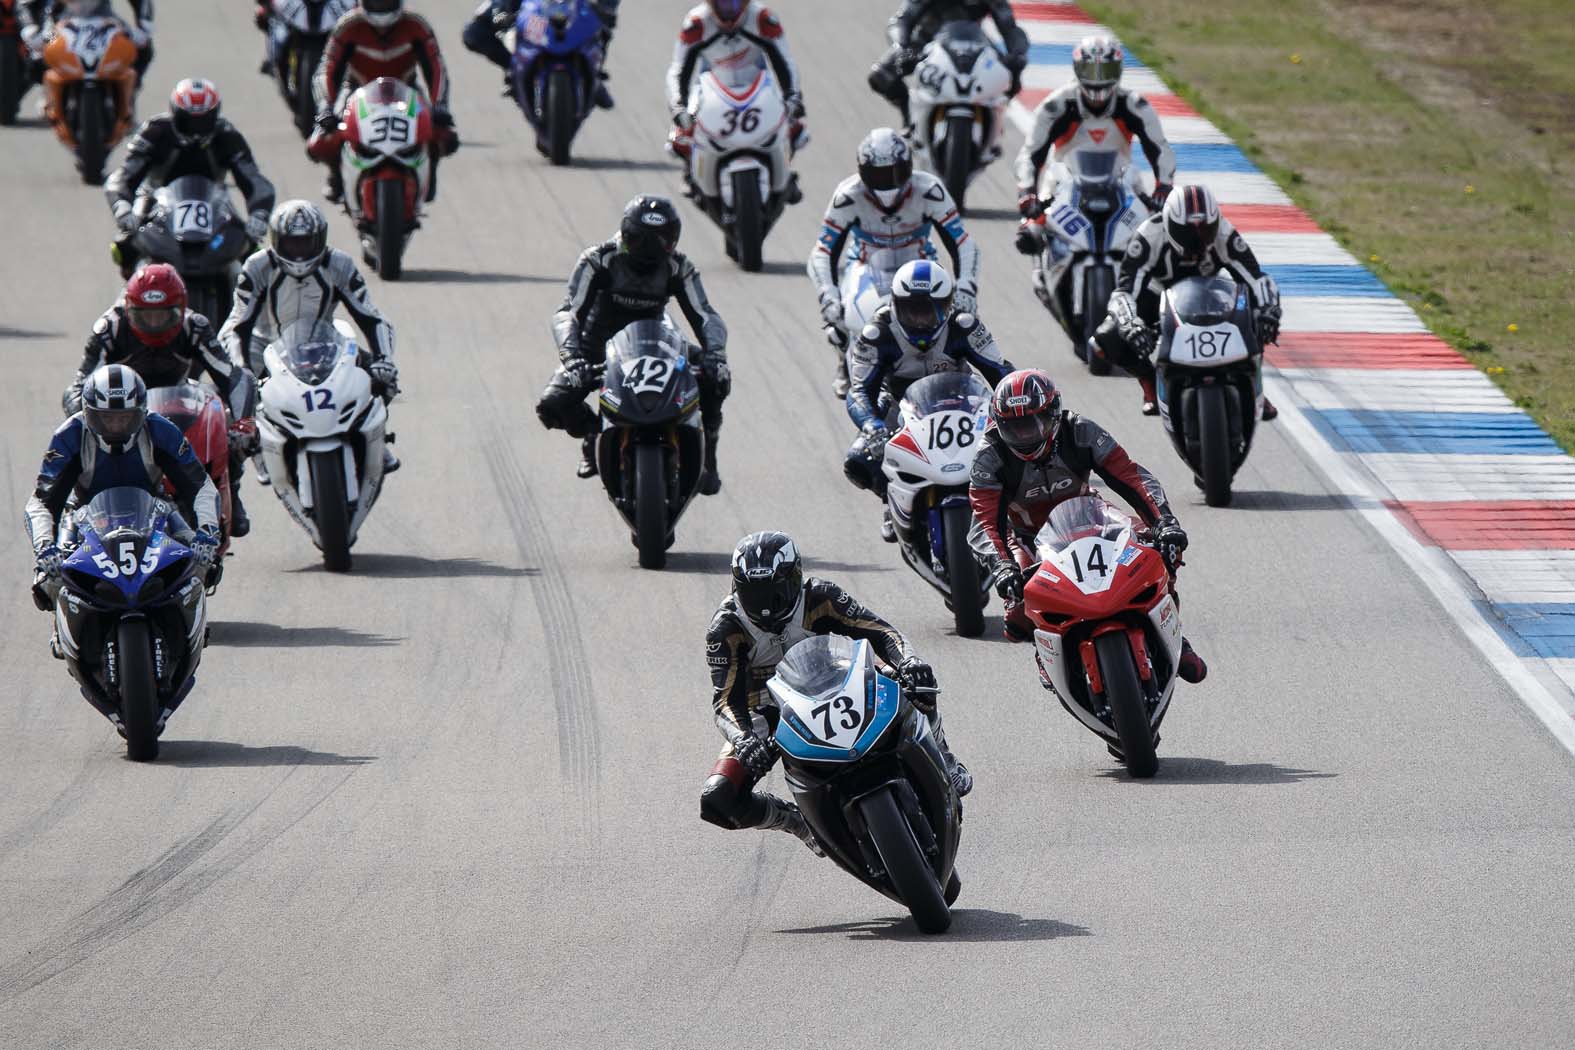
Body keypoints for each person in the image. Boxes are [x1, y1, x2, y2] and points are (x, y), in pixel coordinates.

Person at [700, 531, 971, 852]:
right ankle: (797, 822)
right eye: (753, 594)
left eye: (774, 593)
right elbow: (725, 701)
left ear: (795, 579)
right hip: (768, 714)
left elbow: (882, 633)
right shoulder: (726, 629)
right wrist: (744, 739)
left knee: (916, 681)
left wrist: (909, 660)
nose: (765, 608)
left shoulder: (820, 597)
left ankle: (944, 756)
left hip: (841, 682)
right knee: (718, 798)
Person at [967, 369, 1208, 681]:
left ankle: (1173, 633)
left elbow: (1130, 476)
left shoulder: (1080, 430)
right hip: (1026, 536)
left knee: (1161, 549)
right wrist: (1001, 566)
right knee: (1016, 615)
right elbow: (985, 521)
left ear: (1052, 415)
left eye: (1031, 424)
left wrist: (1165, 523)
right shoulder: (989, 457)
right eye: (1013, 427)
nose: (1024, 435)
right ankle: (1047, 652)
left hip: (1090, 516)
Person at [537, 195, 730, 492]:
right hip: (595, 346)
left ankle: (709, 457)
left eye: (659, 241)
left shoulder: (678, 267)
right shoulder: (598, 259)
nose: (647, 249)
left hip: (659, 340)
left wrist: (716, 355)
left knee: (717, 379)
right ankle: (593, 434)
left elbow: (707, 316)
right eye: (639, 239)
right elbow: (568, 313)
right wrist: (571, 356)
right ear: (625, 234)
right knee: (552, 404)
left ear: (673, 241)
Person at [71, 265, 260, 536]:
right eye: (145, 316)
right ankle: (81, 509)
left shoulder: (194, 326)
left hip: (180, 404)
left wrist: (244, 423)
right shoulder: (110, 328)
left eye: (163, 315)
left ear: (181, 309)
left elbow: (234, 378)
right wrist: (85, 420)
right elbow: (79, 386)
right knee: (80, 445)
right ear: (129, 307)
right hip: (121, 414)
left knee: (229, 423)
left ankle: (233, 495)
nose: (154, 323)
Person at [218, 200, 402, 473]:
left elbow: (371, 316)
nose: (300, 252)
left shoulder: (339, 264)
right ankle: (255, 448)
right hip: (265, 347)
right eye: (292, 243)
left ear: (321, 239)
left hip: (325, 345)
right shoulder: (257, 266)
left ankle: (374, 440)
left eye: (306, 243)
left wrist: (384, 360)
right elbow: (236, 325)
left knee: (381, 380)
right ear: (276, 240)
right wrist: (243, 370)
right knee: (238, 396)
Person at [26, 365, 222, 619]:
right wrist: (45, 548)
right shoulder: (69, 435)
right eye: (106, 417)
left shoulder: (160, 429)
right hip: (82, 514)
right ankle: (64, 630)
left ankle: (188, 626)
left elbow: (201, 486)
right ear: (88, 413)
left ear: (140, 412)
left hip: (156, 509)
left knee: (201, 566)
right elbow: (41, 502)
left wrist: (207, 534)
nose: (115, 426)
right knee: (48, 578)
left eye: (125, 417)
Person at [842, 259, 1013, 539]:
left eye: (931, 309)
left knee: (1014, 440)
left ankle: (1007, 500)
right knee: (858, 460)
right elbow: (859, 390)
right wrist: (873, 426)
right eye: (913, 309)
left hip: (962, 403)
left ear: (947, 304)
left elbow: (1000, 372)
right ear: (897, 304)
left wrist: (1013, 402)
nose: (922, 318)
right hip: (899, 407)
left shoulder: (964, 325)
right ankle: (891, 498)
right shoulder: (877, 332)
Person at [808, 127, 978, 398]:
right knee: (839, 316)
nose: (886, 184)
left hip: (921, 263)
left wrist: (967, 286)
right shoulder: (847, 195)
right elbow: (822, 251)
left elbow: (963, 243)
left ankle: (957, 364)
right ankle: (847, 356)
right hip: (864, 265)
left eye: (895, 173)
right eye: (877, 175)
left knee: (958, 316)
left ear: (909, 167)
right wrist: (828, 295)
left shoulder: (930, 190)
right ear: (862, 171)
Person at [1091, 183, 1282, 417]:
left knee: (1257, 315)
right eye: (1187, 232)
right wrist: (1131, 324)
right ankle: (1149, 384)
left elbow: (1256, 279)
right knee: (1105, 340)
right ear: (1169, 223)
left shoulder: (1224, 232)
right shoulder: (1148, 235)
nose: (1197, 240)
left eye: (1205, 231)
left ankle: (1253, 387)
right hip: (1158, 297)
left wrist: (1269, 309)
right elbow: (1124, 292)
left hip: (1212, 294)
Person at [1013, 33, 1175, 267]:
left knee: (1160, 230)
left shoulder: (1134, 105)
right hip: (1064, 181)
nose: (1098, 81)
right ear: (1077, 70)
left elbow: (1160, 148)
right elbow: (1030, 153)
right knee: (1031, 226)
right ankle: (1042, 263)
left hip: (1122, 180)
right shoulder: (1056, 105)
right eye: (1091, 72)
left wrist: (1164, 187)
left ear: (1118, 72)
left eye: (1105, 72)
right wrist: (1027, 193)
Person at [105, 78, 276, 278]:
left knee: (250, 249)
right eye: (189, 121)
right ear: (174, 114)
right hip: (153, 200)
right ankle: (132, 296)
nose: (197, 130)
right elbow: (123, 176)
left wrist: (259, 214)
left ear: (215, 115)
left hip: (214, 202)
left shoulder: (227, 134)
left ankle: (247, 298)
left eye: (204, 121)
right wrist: (122, 207)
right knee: (125, 246)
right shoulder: (154, 131)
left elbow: (255, 180)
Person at [313, 0, 455, 205]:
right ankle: (336, 174)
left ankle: (429, 172)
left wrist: (440, 106)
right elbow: (327, 68)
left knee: (444, 135)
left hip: (406, 91)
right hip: (355, 91)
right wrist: (326, 107)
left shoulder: (417, 25)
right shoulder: (347, 25)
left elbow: (436, 68)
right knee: (319, 142)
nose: (381, 6)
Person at [665, 1, 805, 159]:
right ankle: (690, 177)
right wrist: (678, 106)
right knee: (681, 136)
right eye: (723, 4)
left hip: (759, 87)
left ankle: (786, 173)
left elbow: (786, 61)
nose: (729, 12)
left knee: (794, 128)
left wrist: (792, 96)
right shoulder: (696, 23)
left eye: (734, 4)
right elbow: (678, 68)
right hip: (710, 90)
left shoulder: (763, 18)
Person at [867, 0, 1027, 128]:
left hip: (975, 45)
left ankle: (994, 122)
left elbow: (1011, 28)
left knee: (1012, 75)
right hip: (926, 43)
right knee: (880, 76)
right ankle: (909, 113)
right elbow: (901, 20)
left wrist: (1017, 54)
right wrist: (901, 46)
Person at [461, 0, 617, 108]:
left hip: (575, 9)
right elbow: (498, 10)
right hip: (530, 9)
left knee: (603, 25)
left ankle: (594, 74)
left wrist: (606, 10)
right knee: (474, 33)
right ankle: (514, 68)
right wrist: (501, 15)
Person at [20, 0, 154, 88]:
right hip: (59, 27)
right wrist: (30, 26)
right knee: (37, 53)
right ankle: (49, 92)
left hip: (105, 21)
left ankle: (129, 94)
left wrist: (144, 25)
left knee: (142, 46)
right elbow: (26, 4)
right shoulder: (53, 28)